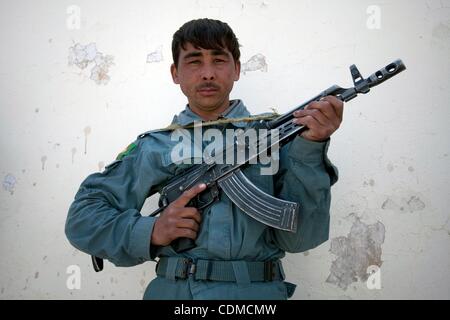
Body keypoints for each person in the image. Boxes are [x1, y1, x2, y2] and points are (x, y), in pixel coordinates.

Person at [65, 18, 342, 300]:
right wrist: (151, 231)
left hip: (258, 295)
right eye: (194, 61)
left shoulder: (277, 138)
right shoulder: (155, 146)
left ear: (236, 69)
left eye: (219, 60)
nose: (208, 73)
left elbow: (300, 240)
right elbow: (82, 217)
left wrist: (311, 145)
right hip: (177, 292)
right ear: (176, 73)